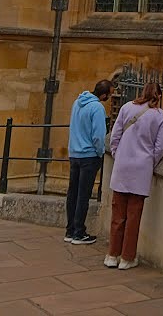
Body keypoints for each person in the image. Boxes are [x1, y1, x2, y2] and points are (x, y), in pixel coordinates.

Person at [105, 81, 163, 270]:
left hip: (122, 165)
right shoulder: (160, 116)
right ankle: (127, 258)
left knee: (118, 214)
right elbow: (161, 146)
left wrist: (117, 153)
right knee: (133, 216)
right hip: (141, 168)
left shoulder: (126, 107)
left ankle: (112, 255)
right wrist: (149, 162)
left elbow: (115, 135)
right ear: (159, 96)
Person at [65, 79, 112, 244]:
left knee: (73, 193)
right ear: (104, 94)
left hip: (74, 153)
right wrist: (100, 153)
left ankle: (70, 230)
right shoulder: (97, 108)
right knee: (83, 195)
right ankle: (79, 232)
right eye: (109, 94)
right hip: (89, 156)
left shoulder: (76, 103)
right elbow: (98, 136)